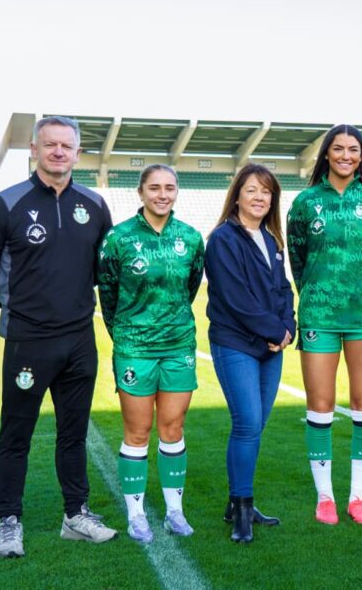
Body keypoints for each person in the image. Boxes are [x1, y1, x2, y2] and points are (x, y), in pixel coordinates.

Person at [0, 115, 115, 557]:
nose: (58, 152)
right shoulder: (6, 204)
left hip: (78, 339)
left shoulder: (94, 205)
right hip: (28, 340)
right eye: (49, 144)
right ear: (33, 151)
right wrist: (20, 307)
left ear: (78, 152)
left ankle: (76, 515)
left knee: (73, 433)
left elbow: (101, 268)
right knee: (15, 432)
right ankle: (8, 521)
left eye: (66, 145)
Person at [286, 124, 362, 525]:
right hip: (318, 316)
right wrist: (317, 292)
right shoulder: (306, 201)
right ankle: (325, 497)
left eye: (353, 149)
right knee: (321, 405)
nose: (346, 155)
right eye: (338, 148)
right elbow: (298, 258)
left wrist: (355, 289)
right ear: (326, 154)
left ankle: (358, 499)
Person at [97, 164, 205, 541]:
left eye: (170, 188)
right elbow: (107, 294)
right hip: (134, 349)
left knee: (173, 428)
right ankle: (136, 514)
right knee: (138, 431)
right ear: (140, 192)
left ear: (177, 192)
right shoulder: (119, 238)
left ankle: (175, 512)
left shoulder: (190, 238)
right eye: (155, 188)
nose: (163, 194)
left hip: (178, 347)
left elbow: (189, 288)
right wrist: (127, 334)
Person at [205, 164, 296, 543]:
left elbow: (283, 290)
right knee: (246, 423)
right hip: (235, 343)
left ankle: (235, 500)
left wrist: (287, 328)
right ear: (237, 195)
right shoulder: (224, 239)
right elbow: (235, 298)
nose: (259, 197)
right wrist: (275, 331)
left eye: (266, 191)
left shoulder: (272, 239)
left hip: (271, 347)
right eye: (252, 190)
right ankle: (243, 509)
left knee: (255, 426)